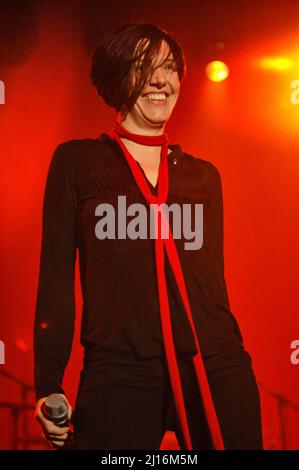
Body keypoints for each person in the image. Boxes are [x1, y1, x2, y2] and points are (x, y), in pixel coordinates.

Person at [34, 22, 263, 450]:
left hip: (213, 368)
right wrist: (47, 381)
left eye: (170, 67)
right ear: (115, 77)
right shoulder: (77, 162)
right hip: (119, 371)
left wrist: (223, 360)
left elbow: (213, 285)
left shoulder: (203, 177)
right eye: (144, 67)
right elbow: (55, 281)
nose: (161, 80)